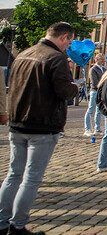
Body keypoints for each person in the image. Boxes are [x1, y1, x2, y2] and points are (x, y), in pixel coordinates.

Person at [0, 22, 79, 234]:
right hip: (42, 125)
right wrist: (75, 86)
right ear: (63, 37)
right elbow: (64, 91)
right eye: (69, 41)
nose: (68, 46)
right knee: (31, 178)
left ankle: (1, 222)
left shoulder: (23, 54)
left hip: (17, 123)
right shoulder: (56, 58)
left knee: (13, 174)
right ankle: (18, 225)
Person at [84, 53, 106, 136]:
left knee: (99, 111)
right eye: (101, 59)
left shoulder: (104, 69)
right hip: (95, 91)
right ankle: (87, 129)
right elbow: (94, 82)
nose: (103, 60)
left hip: (101, 92)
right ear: (96, 59)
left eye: (103, 59)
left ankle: (97, 129)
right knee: (90, 109)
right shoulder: (93, 69)